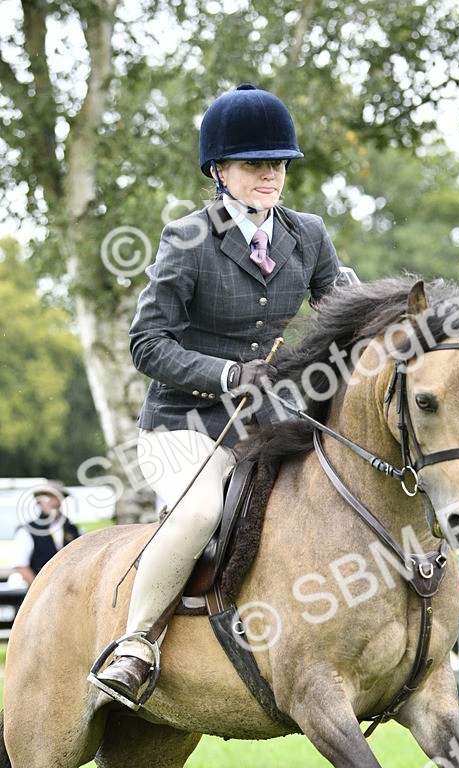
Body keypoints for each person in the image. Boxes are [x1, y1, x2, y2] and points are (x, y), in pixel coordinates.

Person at [93, 83, 352, 703]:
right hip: (184, 423)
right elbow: (146, 344)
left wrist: (399, 324)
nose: (270, 175)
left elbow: (345, 308)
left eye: (278, 164)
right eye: (254, 165)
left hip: (269, 419)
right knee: (202, 511)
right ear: (219, 171)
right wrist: (229, 375)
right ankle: (135, 644)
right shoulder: (187, 239)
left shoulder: (308, 234)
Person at [11, 483, 80, 586]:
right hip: (41, 594)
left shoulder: (72, 529)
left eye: (58, 497)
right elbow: (21, 566)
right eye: (48, 497)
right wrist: (40, 589)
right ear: (39, 501)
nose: (54, 501)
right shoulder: (27, 531)